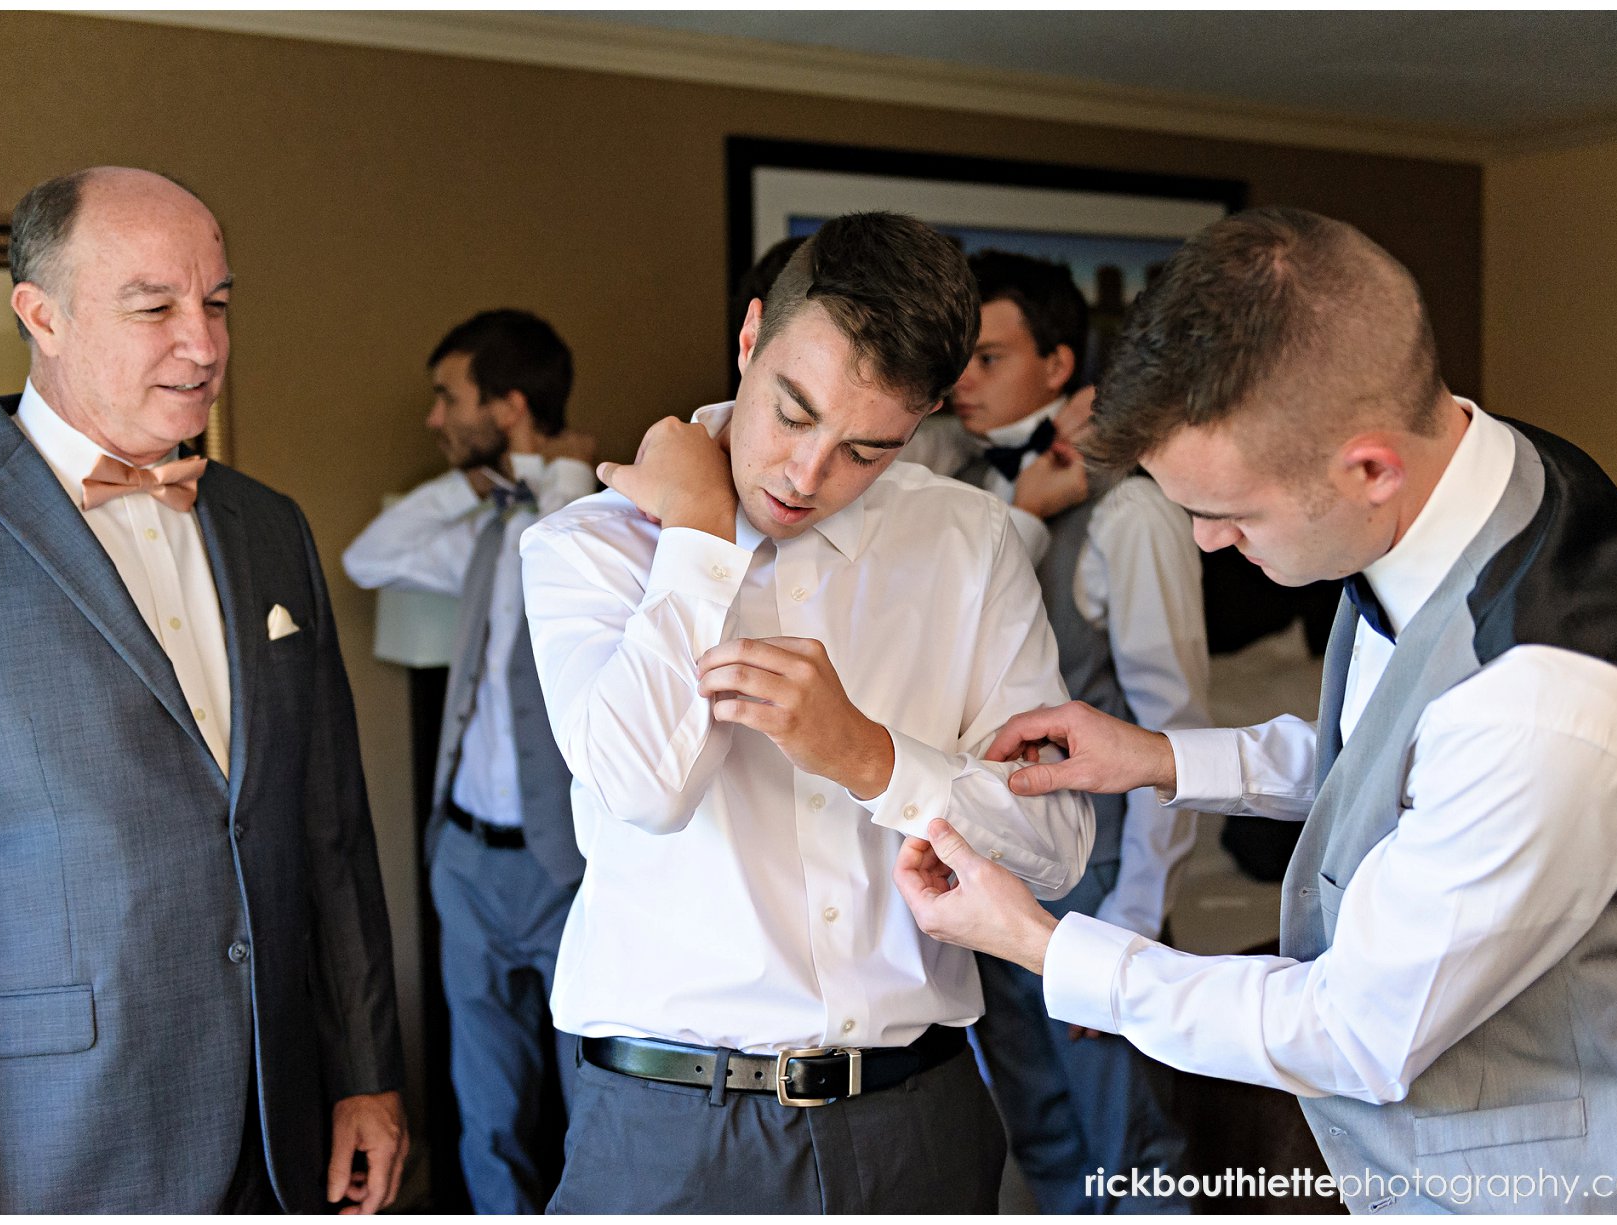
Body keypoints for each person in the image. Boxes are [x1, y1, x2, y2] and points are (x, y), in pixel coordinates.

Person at [896, 206, 1617, 1214]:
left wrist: (1047, 945)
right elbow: (1399, 751)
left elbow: (1355, 1030)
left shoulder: (1545, 707)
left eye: (1231, 514)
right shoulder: (1472, 468)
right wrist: (1164, 758)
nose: (1211, 544)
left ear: (1368, 468)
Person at [518, 211, 1099, 1214]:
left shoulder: (970, 544)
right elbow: (646, 790)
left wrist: (874, 759)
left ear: (919, 425)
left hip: (919, 1118)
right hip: (671, 1134)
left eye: (866, 449)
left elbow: (1055, 843)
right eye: (793, 414)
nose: (806, 476)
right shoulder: (593, 548)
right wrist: (700, 543)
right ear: (750, 339)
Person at [0, 167, 407, 1214]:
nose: (204, 343)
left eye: (216, 303)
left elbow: (330, 830)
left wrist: (363, 1070)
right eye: (154, 306)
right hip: (48, 1140)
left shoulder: (270, 525)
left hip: (281, 1125)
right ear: (42, 315)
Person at [900, 250, 1207, 1213]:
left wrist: (1135, 922)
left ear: (1060, 365)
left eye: (989, 358)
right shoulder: (942, 476)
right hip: (986, 868)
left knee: (1132, 1149)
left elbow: (1175, 725)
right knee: (1034, 1137)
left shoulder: (1136, 513)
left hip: (1103, 881)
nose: (962, 383)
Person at [342, 308, 595, 1211]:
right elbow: (370, 557)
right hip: (465, 858)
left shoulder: (605, 520)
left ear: (509, 402)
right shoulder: (487, 526)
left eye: (450, 397)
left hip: (571, 865)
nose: (434, 417)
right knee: (482, 1108)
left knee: (591, 1100)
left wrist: (554, 477)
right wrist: (480, 481)